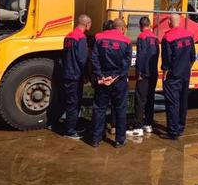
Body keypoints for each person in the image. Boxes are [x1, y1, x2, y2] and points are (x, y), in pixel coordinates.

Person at [90, 17, 132, 148]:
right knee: (120, 109)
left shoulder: (99, 38)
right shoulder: (126, 41)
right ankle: (119, 140)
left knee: (99, 109)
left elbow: (94, 58)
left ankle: (96, 139)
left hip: (102, 80)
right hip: (118, 81)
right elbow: (126, 64)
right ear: (122, 28)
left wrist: (100, 76)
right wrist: (115, 76)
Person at [161, 13, 196, 139]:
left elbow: (166, 59)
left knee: (172, 103)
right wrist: (188, 68)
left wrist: (165, 73)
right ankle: (181, 127)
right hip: (185, 75)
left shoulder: (168, 38)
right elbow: (193, 56)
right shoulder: (188, 35)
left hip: (173, 75)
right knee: (183, 101)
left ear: (169, 22)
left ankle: (173, 131)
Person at [61, 14, 91, 139]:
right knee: (74, 102)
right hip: (76, 75)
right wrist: (86, 75)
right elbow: (82, 59)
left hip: (67, 73)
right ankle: (71, 131)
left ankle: (71, 125)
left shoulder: (68, 37)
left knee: (69, 102)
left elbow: (64, 55)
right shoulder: (81, 38)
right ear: (87, 24)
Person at [129, 16, 159, 137]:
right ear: (150, 25)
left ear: (140, 26)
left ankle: (138, 126)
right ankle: (148, 124)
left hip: (144, 74)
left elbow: (140, 56)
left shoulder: (142, 37)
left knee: (140, 100)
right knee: (150, 98)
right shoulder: (155, 37)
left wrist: (139, 73)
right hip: (153, 73)